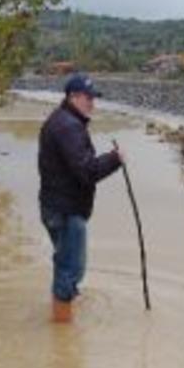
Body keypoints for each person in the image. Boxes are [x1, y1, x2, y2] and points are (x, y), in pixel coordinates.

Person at [38, 74, 123, 323]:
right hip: (66, 211)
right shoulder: (68, 126)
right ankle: (62, 333)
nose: (92, 103)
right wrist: (115, 159)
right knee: (70, 269)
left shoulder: (63, 120)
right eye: (88, 98)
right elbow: (87, 172)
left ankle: (65, 308)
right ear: (72, 97)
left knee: (67, 264)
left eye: (93, 98)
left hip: (57, 207)